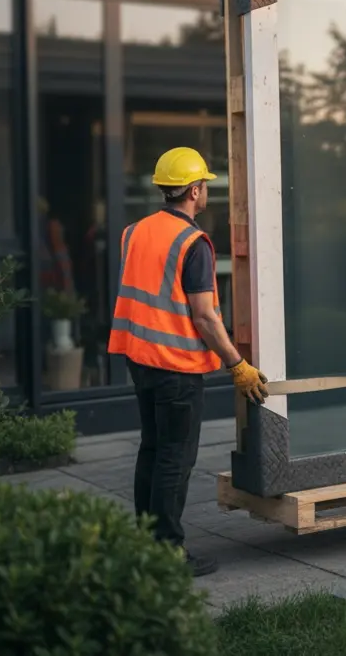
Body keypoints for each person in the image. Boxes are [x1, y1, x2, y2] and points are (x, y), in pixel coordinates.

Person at [108, 147, 269, 576]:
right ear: (195, 190)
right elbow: (203, 316)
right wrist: (238, 363)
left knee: (153, 449)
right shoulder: (192, 243)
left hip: (140, 358)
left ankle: (145, 543)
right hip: (175, 366)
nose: (206, 194)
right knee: (174, 460)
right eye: (205, 187)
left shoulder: (134, 232)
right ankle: (168, 553)